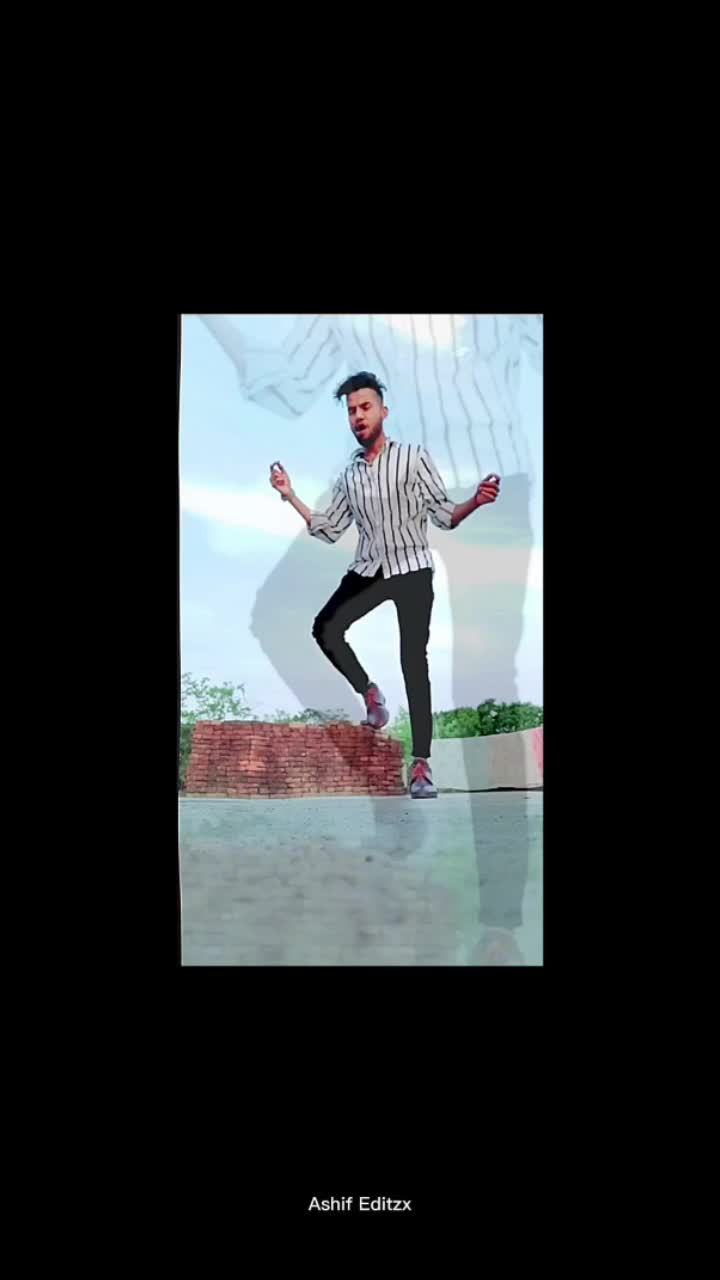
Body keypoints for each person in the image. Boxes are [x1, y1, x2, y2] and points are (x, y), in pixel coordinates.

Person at [269, 371, 500, 799]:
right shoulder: (349, 476)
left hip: (412, 567)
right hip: (370, 568)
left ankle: (421, 765)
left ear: (383, 411)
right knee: (325, 628)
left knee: (413, 660)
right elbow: (329, 529)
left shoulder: (412, 457)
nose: (358, 416)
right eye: (351, 411)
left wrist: (475, 501)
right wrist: (289, 494)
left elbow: (444, 515)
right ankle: (370, 692)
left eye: (365, 407)